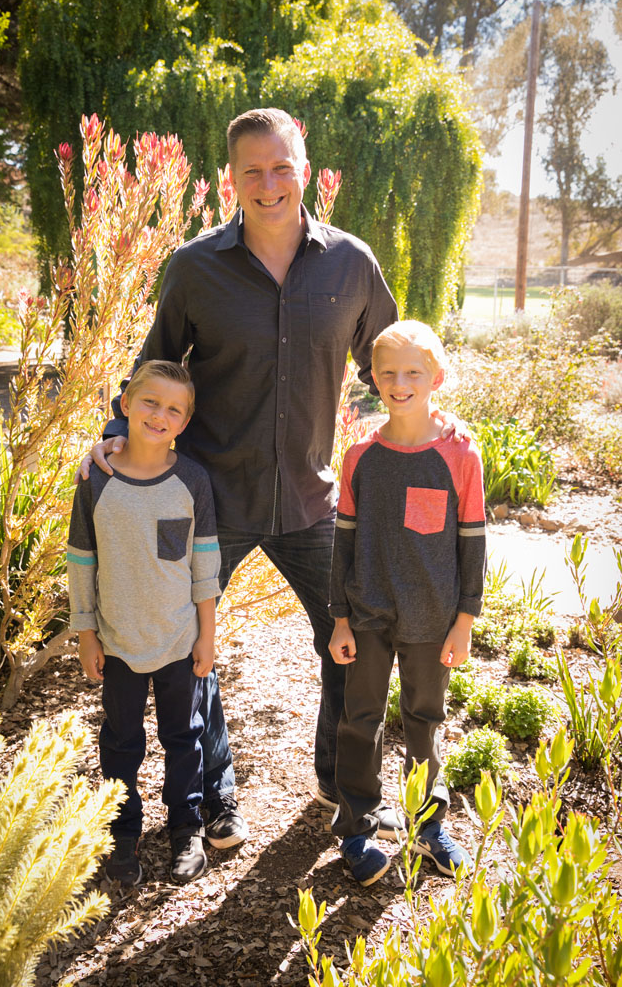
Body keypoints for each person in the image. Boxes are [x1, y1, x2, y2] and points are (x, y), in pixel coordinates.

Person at [77, 108, 460, 845]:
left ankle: (332, 775)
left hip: (315, 500)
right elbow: (155, 364)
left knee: (349, 642)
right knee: (193, 648)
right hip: (208, 499)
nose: (268, 183)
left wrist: (435, 430)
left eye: (281, 166)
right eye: (251, 170)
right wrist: (115, 434)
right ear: (230, 179)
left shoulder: (351, 263)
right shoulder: (194, 268)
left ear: (304, 169)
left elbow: (393, 361)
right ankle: (217, 795)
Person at [328, 320, 486, 886]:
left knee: (424, 720)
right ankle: (356, 827)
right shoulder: (361, 455)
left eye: (413, 373)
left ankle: (428, 825)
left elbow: (473, 542)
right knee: (360, 722)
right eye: (388, 372)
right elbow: (343, 539)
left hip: (431, 618)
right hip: (367, 614)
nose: (400, 383)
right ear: (372, 377)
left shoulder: (460, 455)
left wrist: (464, 619)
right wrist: (339, 617)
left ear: (437, 378)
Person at [68, 360, 221, 886]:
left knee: (184, 738)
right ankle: (123, 834)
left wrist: (208, 633)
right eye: (149, 402)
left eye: (173, 409)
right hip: (117, 641)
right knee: (121, 742)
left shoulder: (192, 480)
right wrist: (86, 633)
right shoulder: (95, 479)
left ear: (184, 422)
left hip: (179, 640)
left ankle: (186, 830)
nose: (160, 415)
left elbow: (204, 563)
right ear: (125, 404)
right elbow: (81, 560)